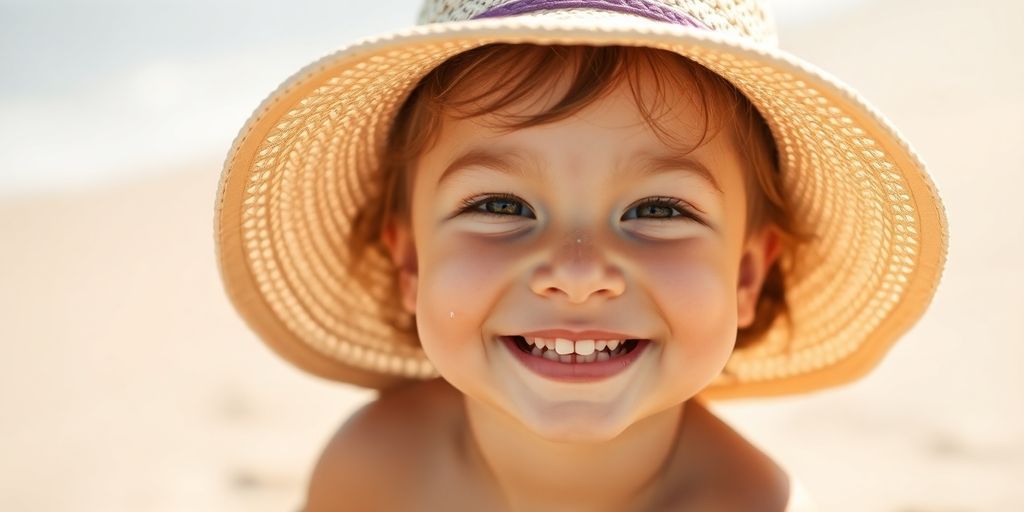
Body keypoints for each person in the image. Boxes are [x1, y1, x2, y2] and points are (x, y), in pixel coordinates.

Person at [213, 0, 948, 510]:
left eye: (658, 210)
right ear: (410, 264)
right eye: (500, 206)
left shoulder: (757, 507)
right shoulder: (374, 468)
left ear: (747, 274)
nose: (576, 271)